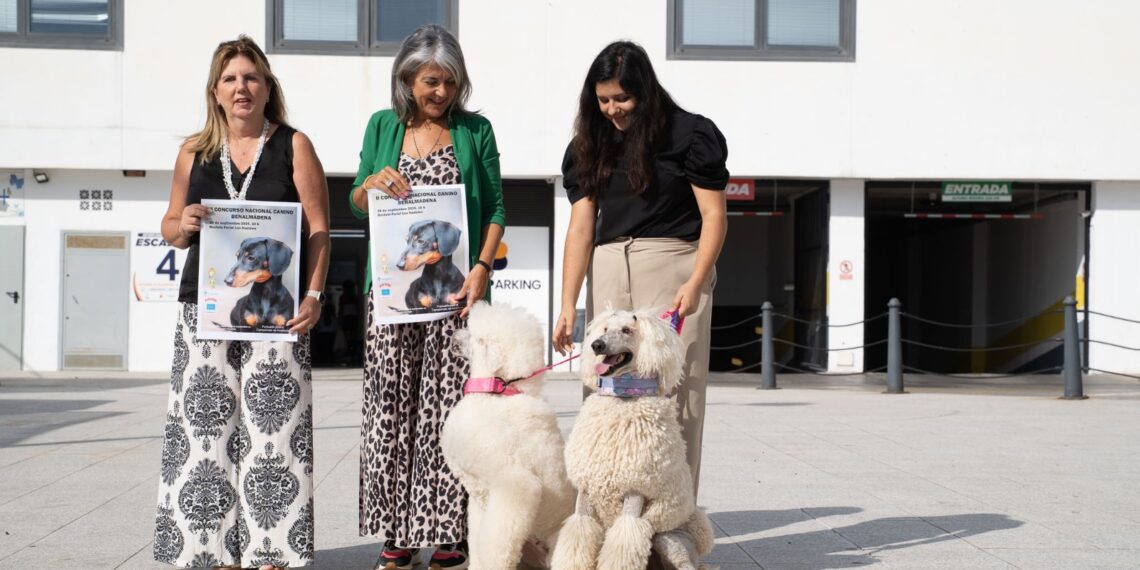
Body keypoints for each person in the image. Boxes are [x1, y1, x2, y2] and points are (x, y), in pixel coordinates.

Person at [153, 35, 330, 570]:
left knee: (273, 432)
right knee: (204, 432)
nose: (241, 87)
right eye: (230, 79)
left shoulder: (294, 145)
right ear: (215, 90)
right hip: (202, 309)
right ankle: (207, 553)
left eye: (251, 77)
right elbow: (168, 225)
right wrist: (180, 226)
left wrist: (316, 293)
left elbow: (320, 228)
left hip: (278, 314)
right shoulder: (193, 150)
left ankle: (271, 552)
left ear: (267, 85)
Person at [348, 24, 505, 569]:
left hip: (456, 294)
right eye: (430, 82)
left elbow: (498, 209)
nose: (440, 93)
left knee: (449, 410)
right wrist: (369, 186)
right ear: (407, 78)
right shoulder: (382, 127)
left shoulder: (475, 131)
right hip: (391, 296)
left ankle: (447, 530)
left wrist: (483, 266)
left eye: (449, 83)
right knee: (389, 410)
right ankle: (397, 533)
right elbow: (354, 200)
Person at [552, 40, 729, 493]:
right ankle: (608, 510)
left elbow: (713, 216)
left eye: (623, 99)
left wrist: (695, 279)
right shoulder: (589, 144)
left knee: (676, 393)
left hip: (672, 268)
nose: (613, 109)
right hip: (609, 268)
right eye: (603, 100)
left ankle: (673, 516)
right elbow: (580, 229)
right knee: (603, 389)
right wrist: (568, 304)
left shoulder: (690, 135)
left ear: (645, 92)